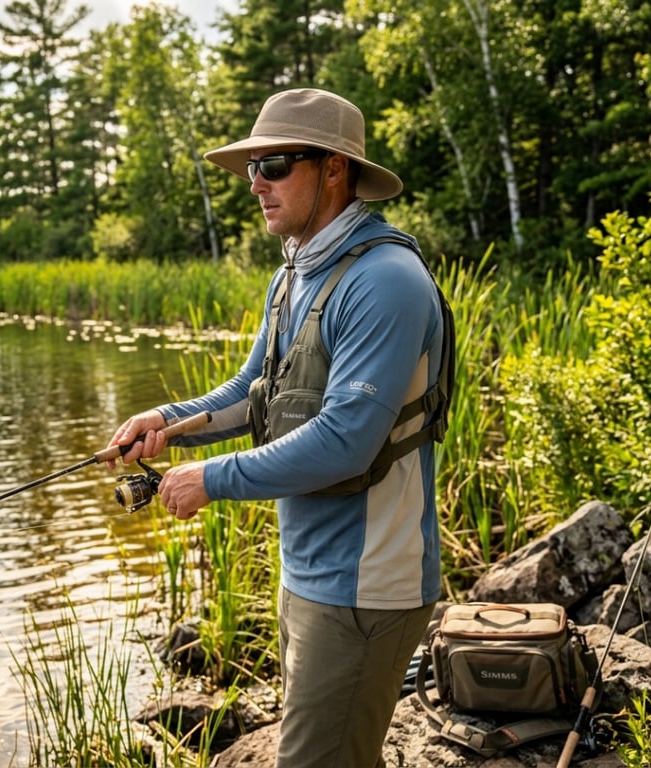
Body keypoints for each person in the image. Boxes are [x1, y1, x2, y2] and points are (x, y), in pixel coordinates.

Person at [108, 88, 451, 767]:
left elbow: (345, 439)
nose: (255, 184)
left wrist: (209, 479)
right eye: (250, 169)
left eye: (275, 165)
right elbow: (251, 393)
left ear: (333, 169)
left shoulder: (385, 280)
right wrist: (167, 423)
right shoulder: (294, 273)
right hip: (309, 574)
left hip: (366, 586)